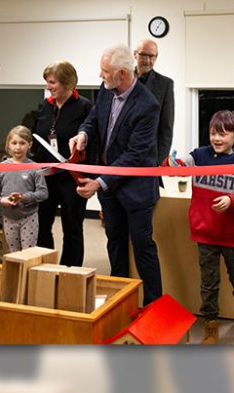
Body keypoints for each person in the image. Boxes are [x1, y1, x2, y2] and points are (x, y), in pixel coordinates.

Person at [69, 44, 162, 306]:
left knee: (143, 247)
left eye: (105, 71)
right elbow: (94, 118)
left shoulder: (148, 106)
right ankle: (121, 298)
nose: (100, 75)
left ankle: (154, 303)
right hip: (110, 188)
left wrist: (99, 183)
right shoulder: (106, 90)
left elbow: (136, 155)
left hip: (135, 189)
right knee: (115, 242)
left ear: (122, 73)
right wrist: (83, 134)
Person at [164, 110, 234, 344]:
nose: (217, 139)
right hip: (205, 233)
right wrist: (171, 163)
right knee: (209, 283)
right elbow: (179, 165)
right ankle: (210, 323)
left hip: (231, 234)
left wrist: (231, 201)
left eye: (223, 134)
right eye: (214, 133)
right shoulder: (200, 155)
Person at [32, 61, 93, 266]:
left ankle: (71, 271)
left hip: (72, 178)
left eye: (52, 82)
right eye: (47, 82)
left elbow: (92, 143)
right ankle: (46, 268)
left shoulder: (85, 107)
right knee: (42, 225)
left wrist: (88, 176)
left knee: (72, 227)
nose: (48, 86)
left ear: (68, 83)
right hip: (46, 177)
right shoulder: (44, 106)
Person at [0, 126, 48, 253]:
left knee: (28, 253)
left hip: (29, 217)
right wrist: (1, 200)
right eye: (14, 143)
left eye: (22, 143)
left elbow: (43, 193)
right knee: (13, 252)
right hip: (8, 217)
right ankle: (17, 274)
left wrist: (24, 197)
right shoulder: (2, 167)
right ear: (8, 145)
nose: (18, 147)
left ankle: (27, 274)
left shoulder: (35, 167)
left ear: (29, 145)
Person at [133, 39, 174, 164]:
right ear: (135, 54)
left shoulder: (165, 84)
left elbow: (166, 128)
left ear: (156, 57)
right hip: (121, 157)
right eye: (143, 55)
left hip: (149, 157)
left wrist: (158, 161)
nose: (147, 60)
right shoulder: (122, 79)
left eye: (151, 56)